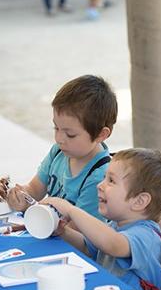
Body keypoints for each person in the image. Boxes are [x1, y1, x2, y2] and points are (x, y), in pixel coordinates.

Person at [44, 148, 161, 290]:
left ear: (139, 201)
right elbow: (89, 248)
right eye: (104, 178)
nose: (100, 185)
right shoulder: (116, 225)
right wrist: (64, 232)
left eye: (111, 181)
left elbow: (113, 245)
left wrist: (71, 210)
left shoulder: (147, 236)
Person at [7, 75, 117, 221]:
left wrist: (31, 210)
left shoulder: (99, 177)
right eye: (56, 128)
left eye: (70, 134)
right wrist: (21, 196)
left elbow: (79, 230)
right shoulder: (58, 152)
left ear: (100, 134)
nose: (59, 138)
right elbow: (35, 189)